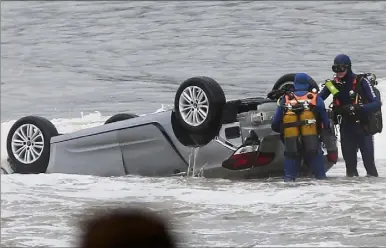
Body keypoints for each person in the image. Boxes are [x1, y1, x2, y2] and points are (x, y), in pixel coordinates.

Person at [318, 54, 381, 177]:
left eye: (341, 68)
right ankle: (352, 194)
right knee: (350, 168)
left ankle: (374, 194)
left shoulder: (361, 82)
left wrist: (357, 108)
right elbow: (318, 100)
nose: (339, 72)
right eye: (335, 69)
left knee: (370, 167)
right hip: (346, 128)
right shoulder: (333, 84)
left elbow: (377, 104)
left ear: (348, 67)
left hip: (363, 127)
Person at [271, 72, 330, 182]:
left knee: (289, 179)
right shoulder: (316, 99)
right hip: (312, 142)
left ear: (295, 84)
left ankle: (289, 198)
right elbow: (326, 123)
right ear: (308, 84)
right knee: (321, 178)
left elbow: (275, 123)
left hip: (292, 143)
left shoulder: (285, 99)